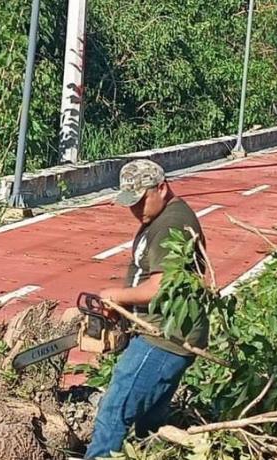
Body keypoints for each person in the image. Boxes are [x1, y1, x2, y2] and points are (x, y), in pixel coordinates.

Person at [85, 159, 208, 459]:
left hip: (163, 337)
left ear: (161, 188)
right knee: (148, 423)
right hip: (162, 331)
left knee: (113, 412)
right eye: (130, 203)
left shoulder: (171, 224)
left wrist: (118, 296)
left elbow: (161, 286)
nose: (135, 210)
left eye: (140, 201)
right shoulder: (159, 217)